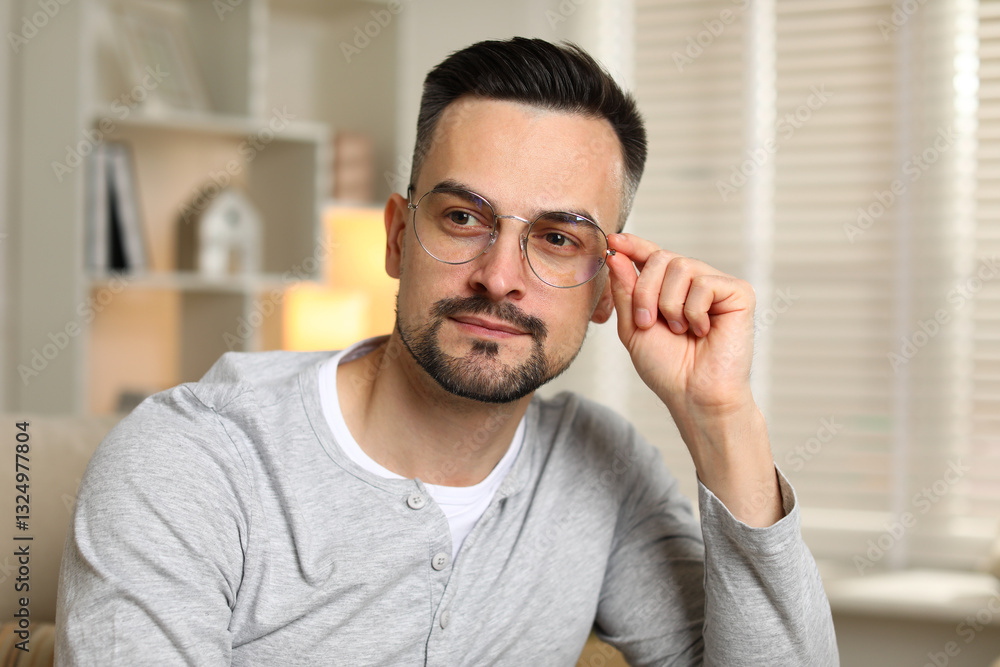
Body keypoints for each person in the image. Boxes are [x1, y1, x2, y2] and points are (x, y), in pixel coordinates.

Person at [56, 37, 838, 665]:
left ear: (607, 287)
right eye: (464, 218)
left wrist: (721, 417)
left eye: (557, 239)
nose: (499, 277)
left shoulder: (604, 469)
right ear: (398, 237)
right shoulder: (191, 461)